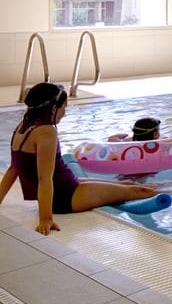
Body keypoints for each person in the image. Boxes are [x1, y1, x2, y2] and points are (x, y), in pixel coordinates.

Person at [0, 83, 159, 235]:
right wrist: (46, 219)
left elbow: (14, 168)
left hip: (65, 186)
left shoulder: (22, 127)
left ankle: (168, 188)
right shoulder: (46, 132)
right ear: (54, 108)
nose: (65, 113)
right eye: (64, 108)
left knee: (127, 184)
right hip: (67, 195)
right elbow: (44, 178)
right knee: (139, 190)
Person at [107, 116, 172, 142]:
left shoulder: (128, 142)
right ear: (155, 134)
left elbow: (111, 138)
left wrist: (125, 135)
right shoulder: (160, 142)